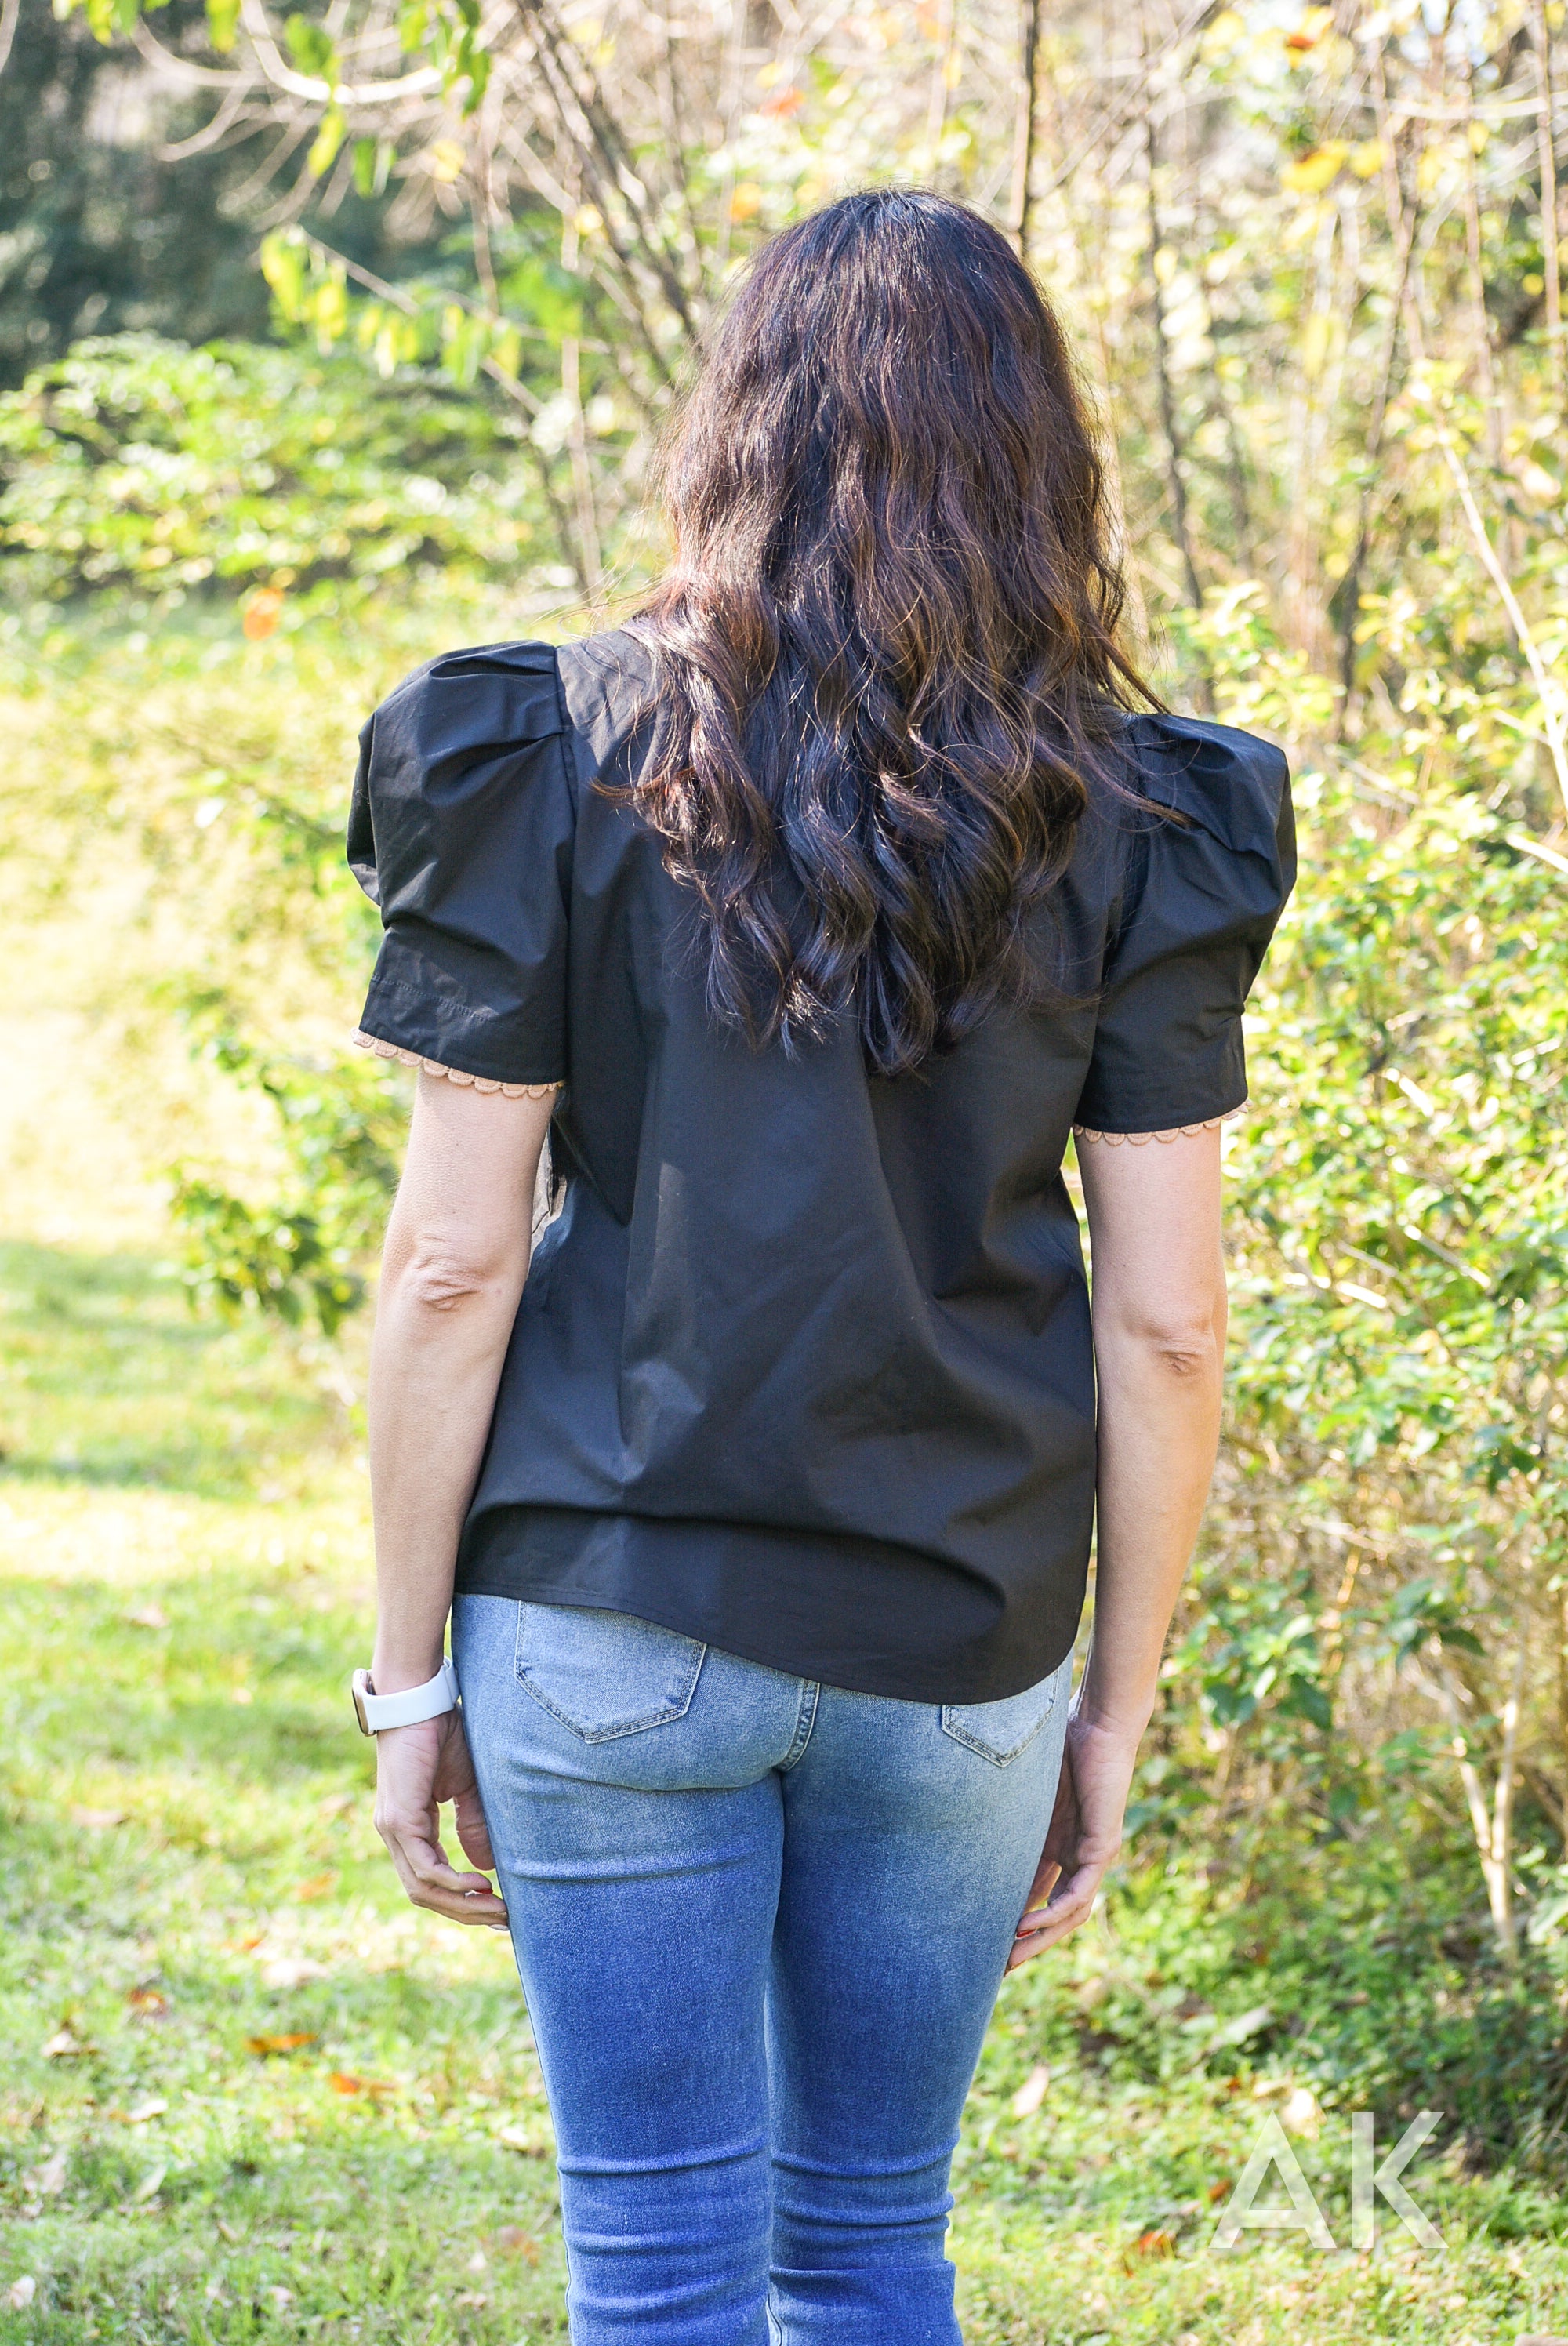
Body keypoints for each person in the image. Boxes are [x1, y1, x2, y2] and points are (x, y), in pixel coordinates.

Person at [344, 189, 1293, 2346]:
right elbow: (1167, 1323)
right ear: (1040, 456)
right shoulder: (1139, 815)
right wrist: (1116, 1708)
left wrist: (409, 1683)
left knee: (657, 2276)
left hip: (604, 1605)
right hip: (963, 1632)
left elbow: (450, 1271)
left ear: (737, 429)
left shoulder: (547, 756)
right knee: (870, 2252)